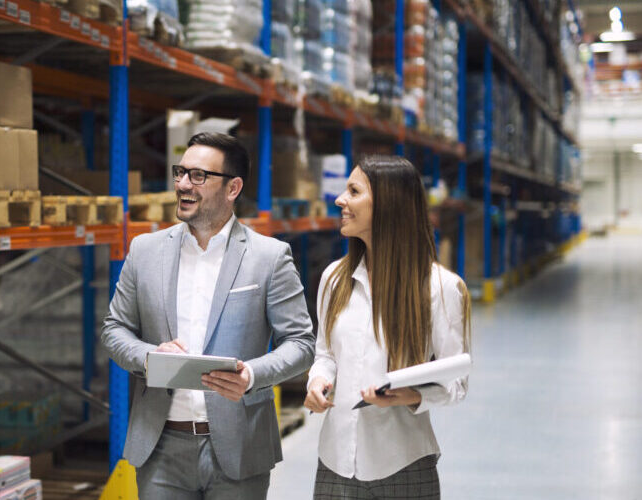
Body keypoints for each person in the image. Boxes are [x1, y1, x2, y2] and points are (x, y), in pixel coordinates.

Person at [102, 132, 315, 499]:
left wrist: (251, 375)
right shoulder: (145, 250)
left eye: (198, 176)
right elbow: (114, 329)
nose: (183, 184)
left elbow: (300, 344)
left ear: (232, 187)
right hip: (161, 446)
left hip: (239, 446)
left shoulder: (269, 257)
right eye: (180, 173)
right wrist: (149, 358)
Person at [304, 155, 471, 500]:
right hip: (334, 463)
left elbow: (456, 382)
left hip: (404, 466)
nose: (340, 200)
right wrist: (318, 380)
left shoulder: (440, 288)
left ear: (388, 204)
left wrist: (412, 396)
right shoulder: (335, 279)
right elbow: (325, 354)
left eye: (354, 191)